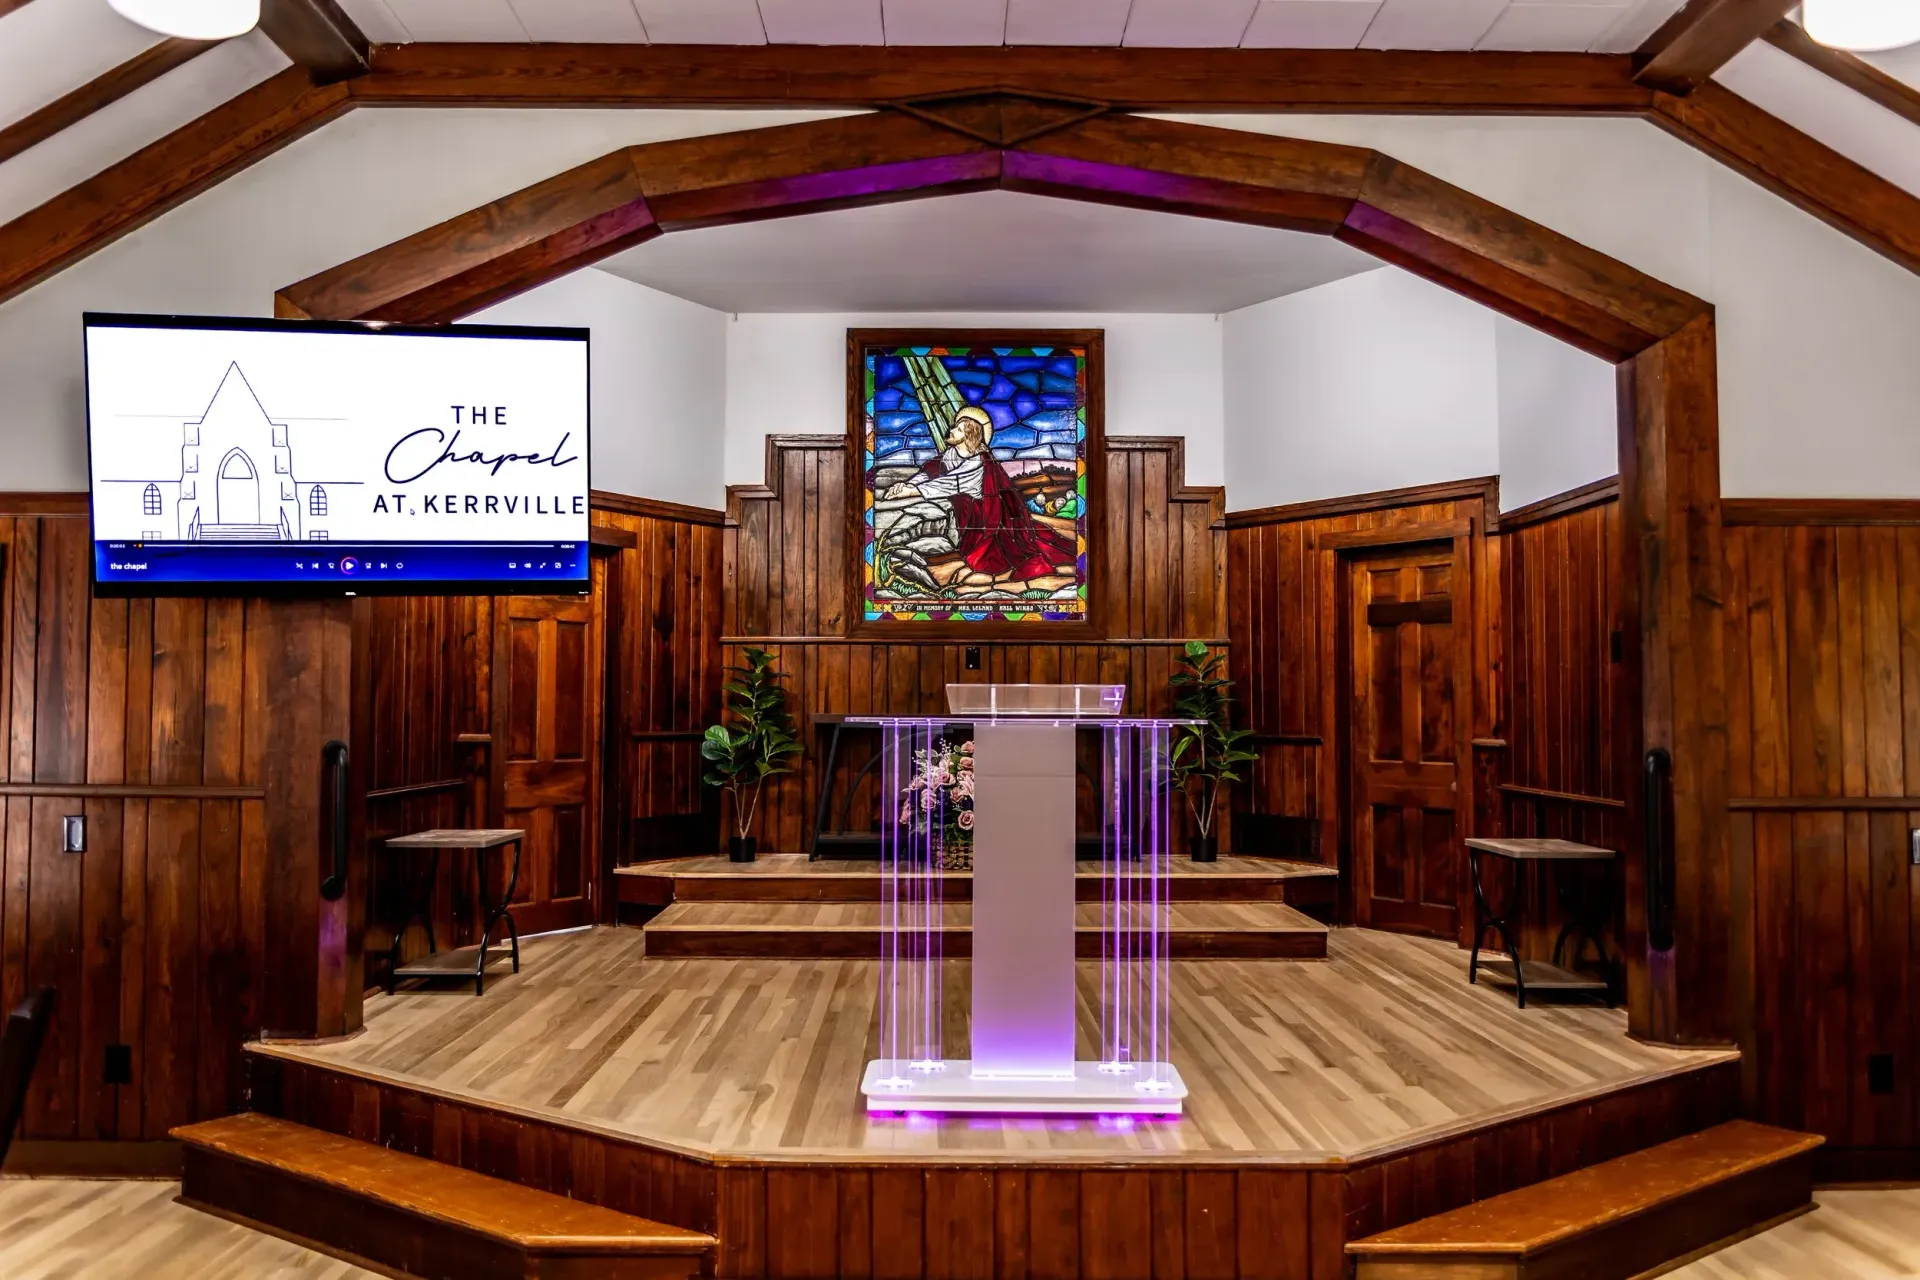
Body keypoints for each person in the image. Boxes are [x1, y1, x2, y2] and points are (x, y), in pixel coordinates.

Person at [882, 405, 1076, 585]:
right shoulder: (951, 454)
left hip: (988, 521)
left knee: (986, 560)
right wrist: (907, 484)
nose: (951, 430)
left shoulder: (978, 462)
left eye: (958, 429)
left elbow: (950, 483)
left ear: (969, 435)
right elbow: (931, 471)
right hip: (969, 519)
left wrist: (912, 491)